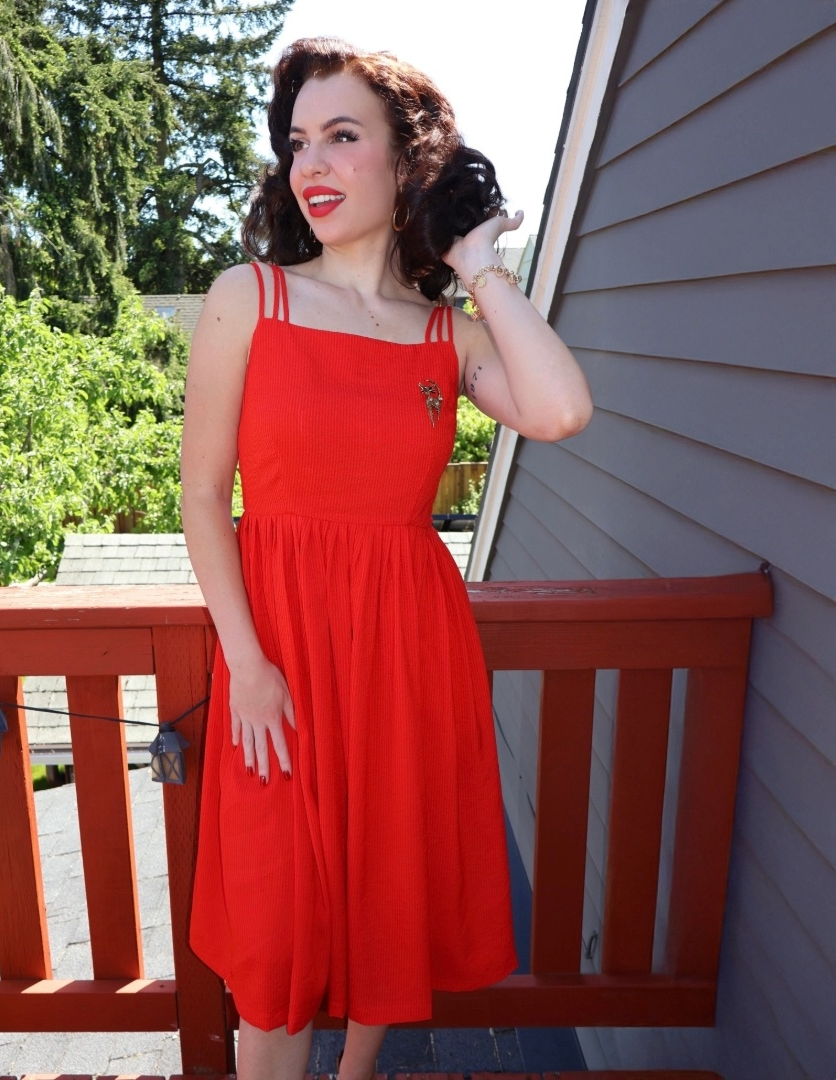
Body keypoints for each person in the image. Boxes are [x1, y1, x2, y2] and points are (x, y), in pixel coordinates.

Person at [180, 37, 592, 1080]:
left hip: (405, 656)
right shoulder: (249, 298)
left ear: (407, 161)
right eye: (297, 143)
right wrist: (248, 664)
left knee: (383, 901)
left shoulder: (446, 337)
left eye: (341, 136)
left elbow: (559, 409)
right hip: (277, 658)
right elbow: (203, 497)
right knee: (275, 940)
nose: (310, 164)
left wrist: (479, 266)